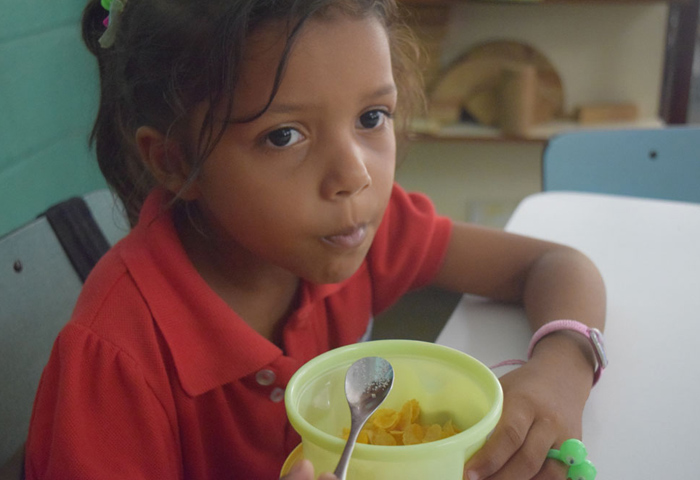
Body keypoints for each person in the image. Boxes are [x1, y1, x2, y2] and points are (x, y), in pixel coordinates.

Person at [25, 0, 606, 479]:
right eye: (284, 135)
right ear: (176, 161)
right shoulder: (117, 358)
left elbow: (553, 264)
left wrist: (560, 374)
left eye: (372, 118)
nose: (354, 175)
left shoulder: (355, 232)